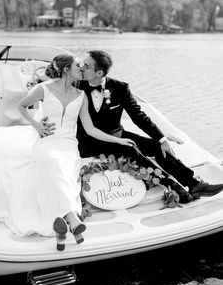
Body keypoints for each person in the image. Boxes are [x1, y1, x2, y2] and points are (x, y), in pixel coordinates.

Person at [0, 53, 135, 251]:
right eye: (78, 65)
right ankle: (72, 219)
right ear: (67, 69)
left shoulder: (81, 95)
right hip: (47, 142)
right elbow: (20, 106)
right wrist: (36, 125)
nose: (82, 68)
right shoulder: (44, 89)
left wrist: (118, 140)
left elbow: (91, 129)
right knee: (55, 166)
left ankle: (62, 228)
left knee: (66, 173)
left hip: (68, 144)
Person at [77, 50, 223, 203]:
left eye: (86, 66)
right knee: (130, 149)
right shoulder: (77, 86)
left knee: (156, 147)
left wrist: (162, 139)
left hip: (117, 134)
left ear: (99, 72)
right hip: (90, 141)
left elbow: (139, 117)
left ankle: (194, 184)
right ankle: (173, 187)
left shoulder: (120, 88)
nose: (81, 67)